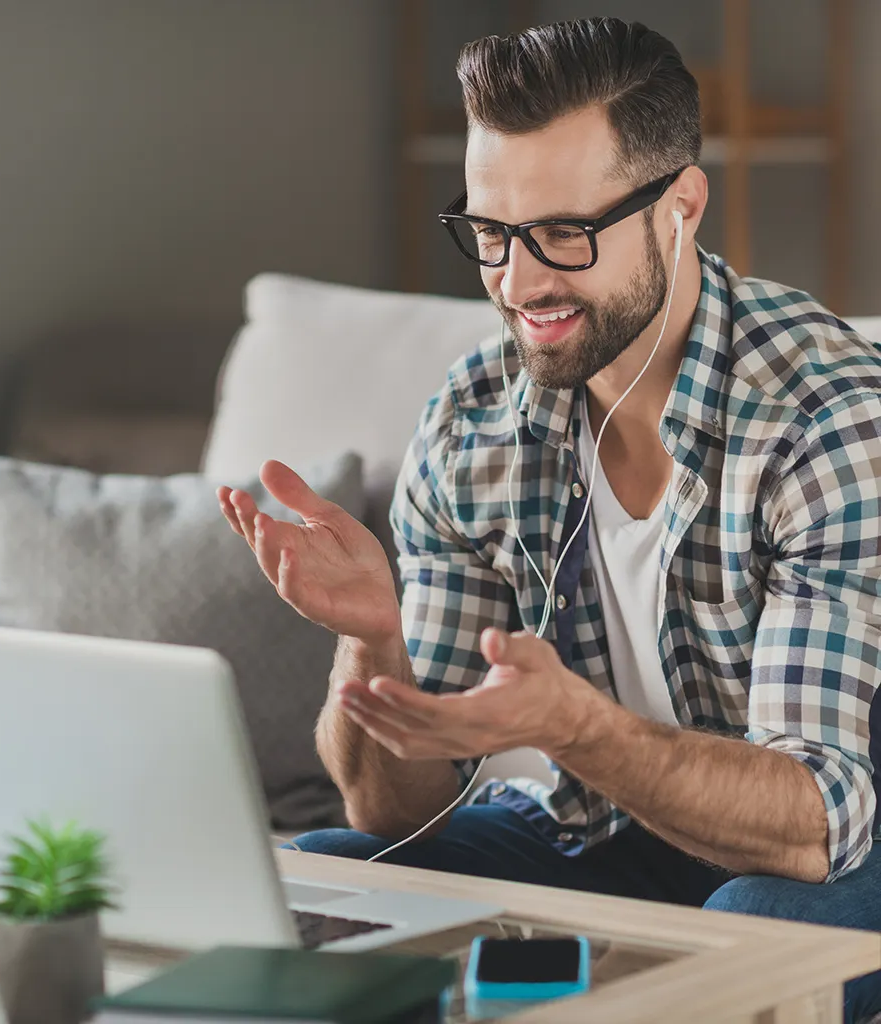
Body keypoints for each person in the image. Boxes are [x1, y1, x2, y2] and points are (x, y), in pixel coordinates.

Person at [218, 18, 881, 1022]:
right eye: (490, 233)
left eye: (565, 233)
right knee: (323, 874)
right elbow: (394, 810)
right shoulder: (473, 417)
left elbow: (815, 824)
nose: (518, 283)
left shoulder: (822, 416)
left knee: (749, 923)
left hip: (839, 844)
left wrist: (574, 723)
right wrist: (372, 641)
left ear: (679, 207)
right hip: (607, 832)